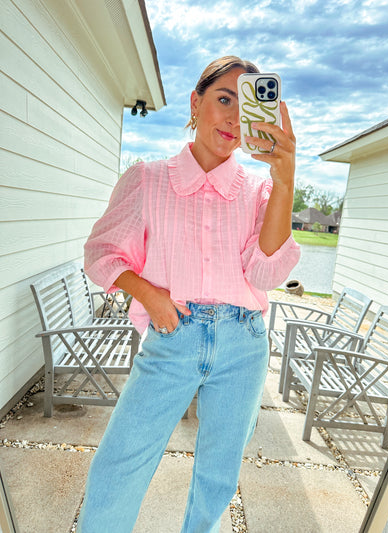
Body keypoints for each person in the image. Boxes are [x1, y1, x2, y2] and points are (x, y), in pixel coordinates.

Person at [77, 56, 300, 533]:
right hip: (172, 333)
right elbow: (101, 253)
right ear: (195, 102)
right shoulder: (148, 179)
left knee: (218, 476)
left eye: (247, 107)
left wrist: (285, 179)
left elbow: (264, 273)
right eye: (224, 99)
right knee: (121, 461)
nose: (235, 118)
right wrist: (151, 295)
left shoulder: (259, 192)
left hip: (244, 344)